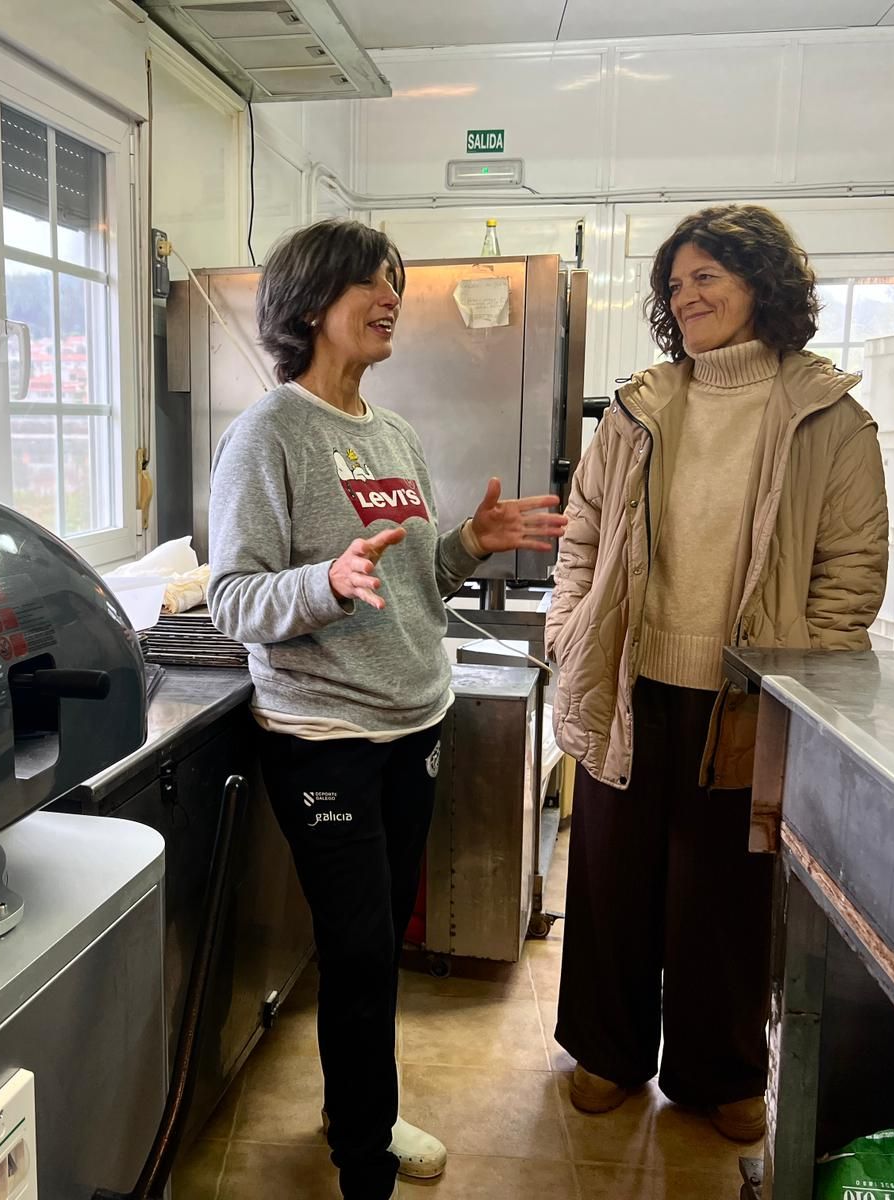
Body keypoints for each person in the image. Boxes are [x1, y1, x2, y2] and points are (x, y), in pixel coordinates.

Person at [207, 218, 567, 1200]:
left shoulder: (391, 433)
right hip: (323, 741)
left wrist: (465, 546)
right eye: (370, 280)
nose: (390, 295)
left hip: (412, 725)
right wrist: (322, 580)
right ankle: (360, 1162)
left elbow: (405, 583)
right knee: (360, 949)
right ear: (310, 302)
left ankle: (349, 1109)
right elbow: (234, 599)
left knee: (379, 949)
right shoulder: (267, 435)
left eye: (394, 280)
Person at [544, 204, 888, 1142]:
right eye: (676, 282)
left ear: (761, 284)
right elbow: (582, 532)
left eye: (708, 277)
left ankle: (719, 1071)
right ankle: (606, 1052)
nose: (686, 295)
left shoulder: (827, 414)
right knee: (611, 878)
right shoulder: (643, 404)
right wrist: (569, 625)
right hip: (628, 678)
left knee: (725, 896)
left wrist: (798, 674)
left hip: (748, 693)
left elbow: (850, 569)